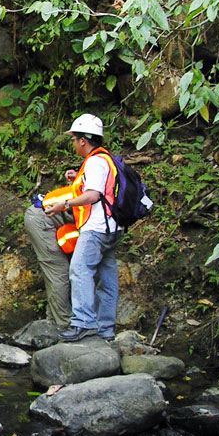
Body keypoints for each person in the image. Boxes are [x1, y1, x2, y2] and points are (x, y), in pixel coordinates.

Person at [61, 113, 126, 341]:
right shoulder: (103, 159)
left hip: (96, 229)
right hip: (112, 228)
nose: (73, 143)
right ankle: (105, 330)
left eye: (74, 139)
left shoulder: (96, 162)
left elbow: (93, 195)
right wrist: (75, 178)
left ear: (83, 141)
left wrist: (65, 203)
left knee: (79, 271)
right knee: (107, 279)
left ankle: (83, 323)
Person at [23, 179, 79, 331]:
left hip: (50, 218)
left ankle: (52, 320)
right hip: (41, 218)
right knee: (59, 271)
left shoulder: (98, 186)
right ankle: (63, 325)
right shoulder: (97, 195)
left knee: (58, 271)